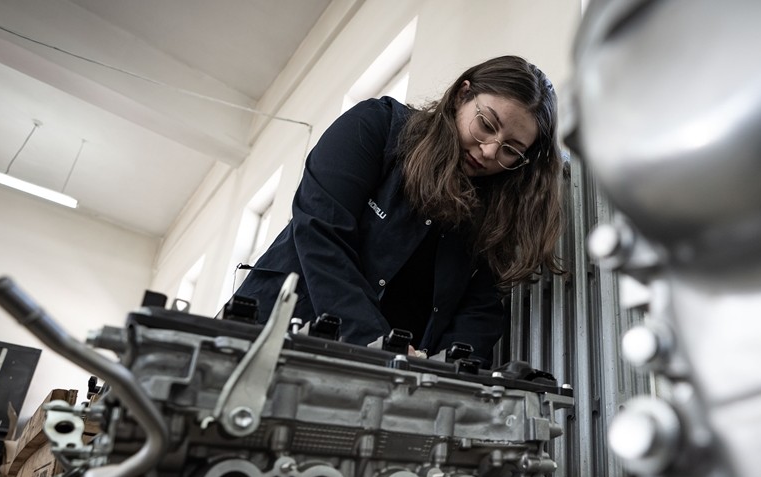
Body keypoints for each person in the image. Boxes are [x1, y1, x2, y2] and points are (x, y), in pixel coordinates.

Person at [233, 55, 564, 367]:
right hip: (264, 337)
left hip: (383, 384)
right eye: (486, 124)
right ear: (462, 95)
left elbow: (480, 311)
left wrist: (447, 374)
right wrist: (379, 344)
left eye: (511, 150)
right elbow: (321, 232)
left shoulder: (494, 214)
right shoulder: (374, 126)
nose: (490, 151)